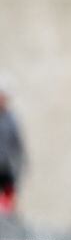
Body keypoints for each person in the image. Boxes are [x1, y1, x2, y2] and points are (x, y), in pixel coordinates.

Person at [0, 79, 25, 214]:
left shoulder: (11, 120)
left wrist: (16, 170)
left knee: (6, 209)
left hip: (5, 170)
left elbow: (17, 148)